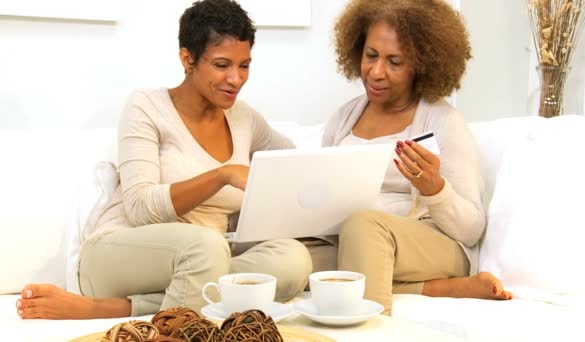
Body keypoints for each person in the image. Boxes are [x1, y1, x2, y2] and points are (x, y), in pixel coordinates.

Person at [16, 0, 312, 319]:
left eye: (245, 65)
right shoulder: (146, 107)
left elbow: (292, 163)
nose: (236, 79)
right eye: (222, 65)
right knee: (207, 249)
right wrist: (222, 175)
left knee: (293, 258)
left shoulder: (244, 119)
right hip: (119, 253)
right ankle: (138, 308)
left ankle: (121, 308)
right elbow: (140, 207)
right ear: (188, 59)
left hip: (205, 259)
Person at [320, 0, 512, 312]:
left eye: (394, 62)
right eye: (371, 56)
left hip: (430, 242)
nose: (376, 72)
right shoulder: (344, 118)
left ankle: (370, 329)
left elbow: (471, 229)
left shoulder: (442, 121)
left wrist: (434, 188)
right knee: (296, 258)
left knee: (362, 227)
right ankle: (439, 289)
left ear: (421, 65)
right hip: (356, 240)